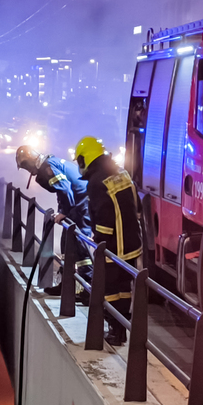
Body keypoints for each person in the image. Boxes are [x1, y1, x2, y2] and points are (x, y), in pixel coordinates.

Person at [74, 136, 143, 346]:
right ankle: (121, 329)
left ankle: (115, 330)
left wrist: (100, 244)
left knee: (110, 289)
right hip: (132, 243)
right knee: (124, 287)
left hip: (114, 246)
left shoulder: (96, 182)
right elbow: (137, 205)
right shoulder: (121, 172)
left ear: (86, 158)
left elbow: (103, 216)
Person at [15, 145, 93, 297]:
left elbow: (65, 189)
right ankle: (67, 285)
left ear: (30, 161)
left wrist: (63, 212)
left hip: (82, 204)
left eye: (25, 166)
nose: (28, 170)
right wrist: (62, 210)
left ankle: (88, 289)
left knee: (80, 246)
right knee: (67, 243)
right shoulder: (51, 163)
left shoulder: (48, 167)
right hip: (77, 203)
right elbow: (61, 191)